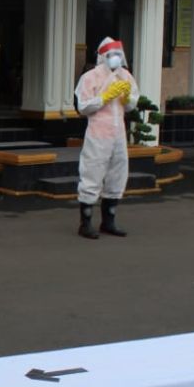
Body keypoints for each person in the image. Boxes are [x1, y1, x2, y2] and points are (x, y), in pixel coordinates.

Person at [75, 37, 140, 240]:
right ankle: (85, 223)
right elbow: (82, 107)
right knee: (92, 174)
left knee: (117, 174)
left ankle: (108, 221)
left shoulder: (125, 76)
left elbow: (131, 106)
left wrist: (127, 98)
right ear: (103, 56)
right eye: (112, 55)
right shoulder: (90, 77)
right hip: (98, 135)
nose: (116, 59)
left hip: (118, 134)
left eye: (118, 55)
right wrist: (103, 97)